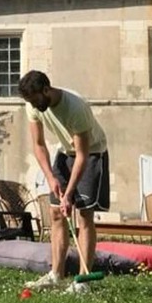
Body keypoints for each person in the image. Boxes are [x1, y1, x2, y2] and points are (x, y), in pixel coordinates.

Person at [18, 70, 109, 290]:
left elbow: (83, 155)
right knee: (56, 213)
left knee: (84, 216)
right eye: (29, 101)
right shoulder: (33, 105)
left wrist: (69, 194)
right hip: (64, 153)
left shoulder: (75, 107)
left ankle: (82, 281)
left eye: (35, 99)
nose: (33, 104)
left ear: (46, 90)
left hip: (92, 153)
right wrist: (51, 178)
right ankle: (55, 274)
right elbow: (38, 145)